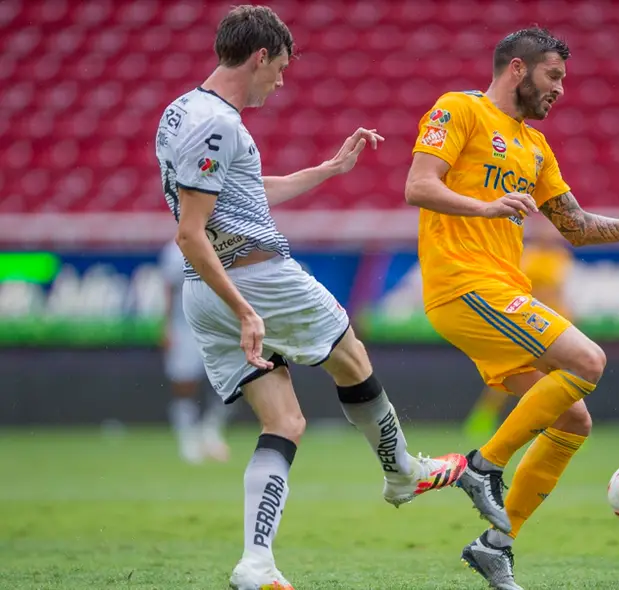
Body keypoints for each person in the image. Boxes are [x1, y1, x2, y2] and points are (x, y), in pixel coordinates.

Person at [154, 6, 467, 589]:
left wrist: (329, 168)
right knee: (351, 357)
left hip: (206, 293)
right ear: (260, 57)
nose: (282, 81)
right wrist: (247, 309)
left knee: (285, 421)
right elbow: (189, 232)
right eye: (281, 68)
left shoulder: (182, 112)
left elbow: (240, 190)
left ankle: (256, 562)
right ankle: (402, 472)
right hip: (255, 278)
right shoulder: (218, 122)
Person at [404, 27, 619, 589]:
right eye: (554, 76)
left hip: (502, 290)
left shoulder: (535, 145)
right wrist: (486, 206)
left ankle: (496, 545)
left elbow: (575, 226)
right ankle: (483, 467)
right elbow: (418, 186)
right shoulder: (459, 110)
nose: (561, 90)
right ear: (518, 70)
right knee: (588, 361)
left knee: (574, 418)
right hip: (464, 285)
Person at [462, 219, 575, 441]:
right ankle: (485, 417)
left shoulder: (561, 257)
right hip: (529, 320)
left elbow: (560, 290)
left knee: (562, 376)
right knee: (512, 371)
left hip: (555, 320)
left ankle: (567, 423)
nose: (548, 236)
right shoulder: (527, 254)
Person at [159, 239, 231, 464]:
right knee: (184, 382)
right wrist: (167, 325)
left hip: (219, 323)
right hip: (185, 325)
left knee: (232, 381)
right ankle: (187, 437)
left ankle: (211, 431)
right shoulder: (174, 251)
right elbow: (169, 289)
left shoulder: (225, 240)